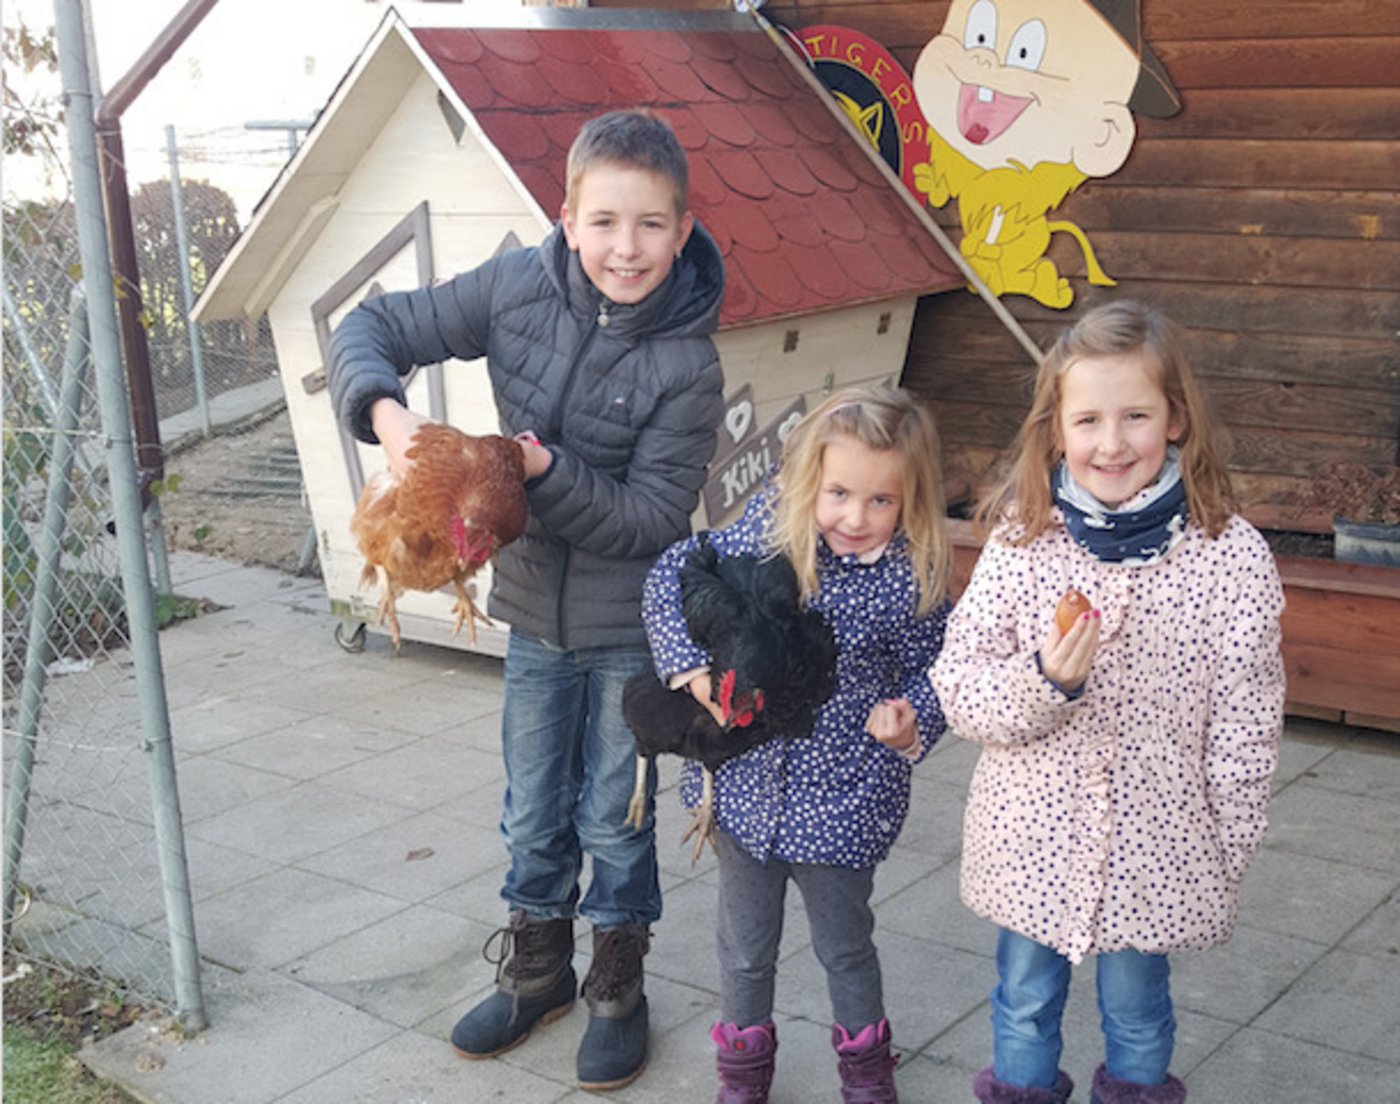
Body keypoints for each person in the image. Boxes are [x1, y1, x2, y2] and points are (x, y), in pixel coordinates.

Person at [327, 109, 725, 1092]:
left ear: (681, 230)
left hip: (632, 623)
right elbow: (371, 327)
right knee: (532, 806)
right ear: (567, 217)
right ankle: (539, 970)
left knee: (613, 812)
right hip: (534, 612)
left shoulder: (688, 364)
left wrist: (539, 472)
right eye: (604, 222)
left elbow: (649, 519)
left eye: (650, 225)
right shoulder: (515, 286)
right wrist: (389, 419)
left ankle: (618, 984)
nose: (625, 247)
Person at [931, 300, 1286, 1104]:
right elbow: (959, 684)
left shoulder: (1230, 558)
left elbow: (1248, 725)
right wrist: (1045, 684)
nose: (1112, 442)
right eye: (1088, 419)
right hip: (1031, 837)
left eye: (1136, 416)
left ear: (1176, 420)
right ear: (1057, 430)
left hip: (1158, 844)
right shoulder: (1024, 540)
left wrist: (1225, 847)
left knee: (1138, 1010)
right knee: (1024, 1001)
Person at [641, 383, 953, 1104]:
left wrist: (913, 719)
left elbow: (938, 668)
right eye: (838, 493)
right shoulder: (762, 536)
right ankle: (743, 1075)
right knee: (744, 949)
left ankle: (867, 1075)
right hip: (744, 791)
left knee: (845, 946)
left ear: (909, 499)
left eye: (881, 500)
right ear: (806, 479)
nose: (855, 517)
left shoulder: (909, 579)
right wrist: (687, 668)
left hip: (844, 798)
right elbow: (670, 575)